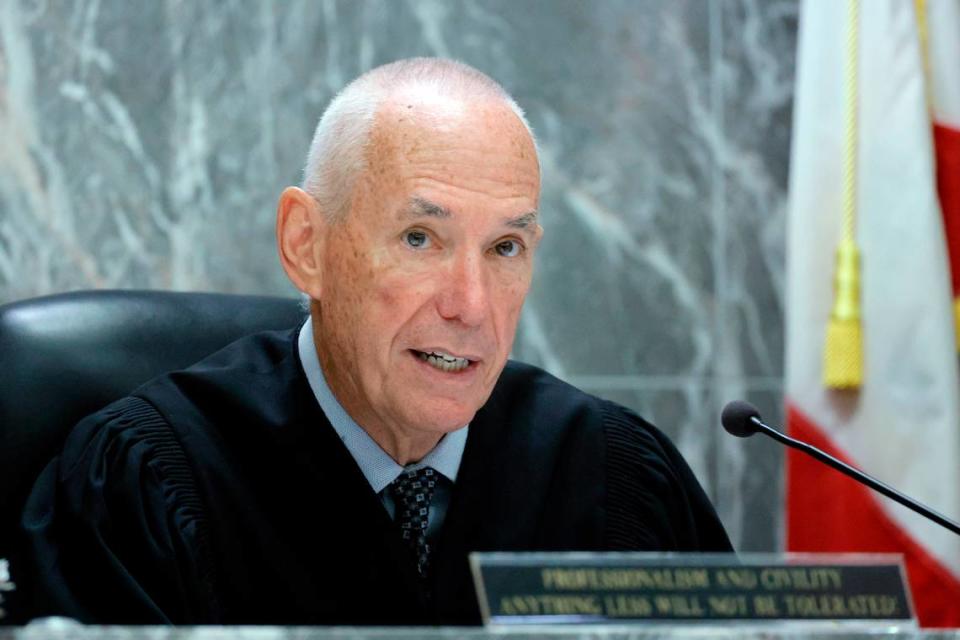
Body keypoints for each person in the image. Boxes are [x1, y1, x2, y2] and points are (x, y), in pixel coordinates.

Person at [15, 58, 732, 625]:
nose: (470, 306)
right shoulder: (148, 481)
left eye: (505, 247)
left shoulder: (615, 479)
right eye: (420, 238)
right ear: (308, 246)